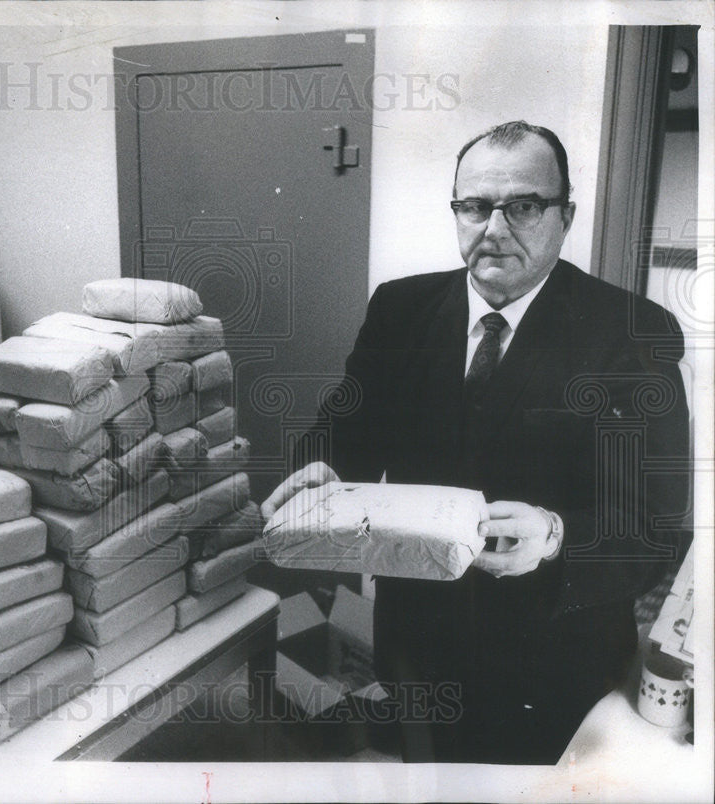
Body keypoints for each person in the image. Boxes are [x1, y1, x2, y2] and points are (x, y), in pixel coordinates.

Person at [261, 121, 691, 764]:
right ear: (457, 210)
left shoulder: (631, 334)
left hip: (552, 655)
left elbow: (658, 529)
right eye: (475, 205)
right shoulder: (400, 308)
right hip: (417, 636)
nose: (494, 227)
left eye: (523, 206)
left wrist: (556, 534)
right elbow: (343, 430)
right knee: (427, 776)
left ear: (565, 216)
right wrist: (316, 468)